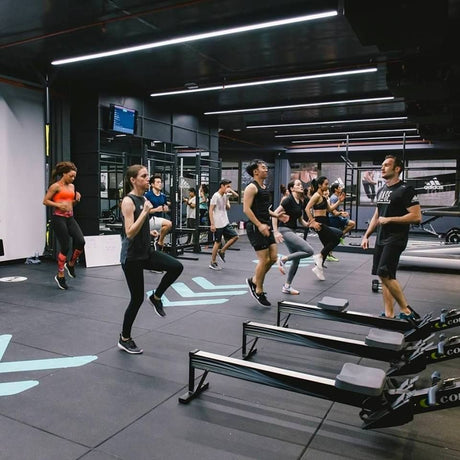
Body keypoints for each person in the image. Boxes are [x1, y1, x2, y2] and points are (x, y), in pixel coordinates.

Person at [118, 165, 183, 354]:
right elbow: (129, 233)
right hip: (131, 257)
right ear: (133, 180)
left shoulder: (143, 199)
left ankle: (156, 297)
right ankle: (124, 338)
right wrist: (146, 212)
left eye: (147, 176)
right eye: (144, 176)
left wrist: (149, 231)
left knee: (176, 266)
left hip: (145, 252)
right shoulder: (128, 201)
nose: (148, 179)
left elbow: (139, 228)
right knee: (136, 299)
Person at [361, 155, 421, 320]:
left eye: (387, 165)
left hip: (396, 237)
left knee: (384, 272)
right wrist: (367, 235)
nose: (382, 168)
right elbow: (376, 216)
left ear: (397, 169)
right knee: (385, 276)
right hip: (381, 237)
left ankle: (407, 311)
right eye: (382, 165)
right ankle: (389, 314)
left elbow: (416, 217)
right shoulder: (382, 190)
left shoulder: (405, 190)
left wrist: (390, 219)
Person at [243, 159, 281, 306]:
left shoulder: (263, 187)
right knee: (263, 260)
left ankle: (253, 280)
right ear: (255, 171)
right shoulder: (251, 188)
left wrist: (276, 215)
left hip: (266, 225)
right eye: (263, 168)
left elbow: (264, 209)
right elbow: (246, 209)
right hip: (256, 227)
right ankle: (258, 289)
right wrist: (259, 225)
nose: (267, 170)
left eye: (266, 167)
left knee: (273, 257)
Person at [43, 161, 85, 290]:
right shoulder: (55, 187)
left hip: (70, 218)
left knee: (80, 241)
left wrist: (76, 200)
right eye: (71, 176)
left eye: (74, 176)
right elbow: (45, 201)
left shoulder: (72, 187)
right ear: (64, 174)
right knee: (65, 246)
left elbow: (70, 204)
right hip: (58, 218)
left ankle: (71, 264)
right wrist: (58, 205)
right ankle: (60, 275)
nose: (73, 179)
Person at [272, 179, 314, 295]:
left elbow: (300, 220)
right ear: (292, 188)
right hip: (285, 230)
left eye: (301, 184)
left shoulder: (299, 202)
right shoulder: (288, 200)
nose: (301, 186)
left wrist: (308, 224)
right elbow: (274, 215)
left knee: (296, 260)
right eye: (298, 185)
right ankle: (283, 260)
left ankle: (287, 286)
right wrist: (275, 232)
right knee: (309, 251)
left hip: (292, 231)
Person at [305, 176, 344, 281]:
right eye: (326, 184)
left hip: (324, 222)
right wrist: (313, 222)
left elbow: (330, 209)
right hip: (319, 223)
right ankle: (319, 257)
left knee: (331, 241)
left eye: (328, 184)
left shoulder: (323, 197)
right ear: (319, 185)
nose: (327, 186)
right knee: (336, 238)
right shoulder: (316, 196)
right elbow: (307, 208)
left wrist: (339, 201)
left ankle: (319, 267)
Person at [208, 179, 239, 270]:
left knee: (235, 236)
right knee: (217, 242)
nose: (229, 188)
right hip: (217, 223)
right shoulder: (215, 196)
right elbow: (210, 210)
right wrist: (212, 224)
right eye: (227, 186)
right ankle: (213, 262)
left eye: (230, 186)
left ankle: (222, 251)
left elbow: (230, 205)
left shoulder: (225, 195)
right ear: (222, 186)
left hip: (225, 221)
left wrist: (229, 195)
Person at [145, 175, 172, 251]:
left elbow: (165, 208)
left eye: (161, 182)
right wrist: (156, 209)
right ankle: (160, 242)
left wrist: (166, 209)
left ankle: (158, 242)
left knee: (167, 226)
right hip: (150, 219)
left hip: (158, 220)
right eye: (158, 182)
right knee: (169, 223)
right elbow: (145, 211)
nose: (160, 184)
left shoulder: (163, 196)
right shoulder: (148, 195)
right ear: (152, 184)